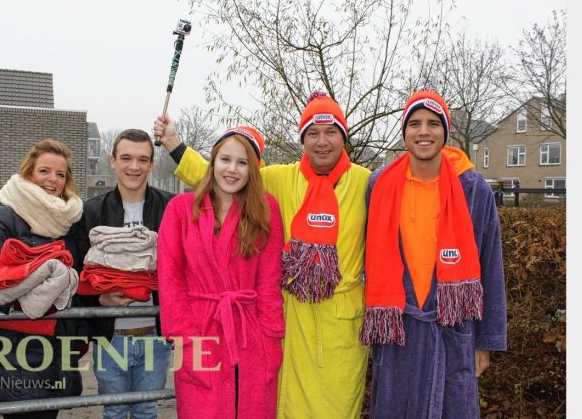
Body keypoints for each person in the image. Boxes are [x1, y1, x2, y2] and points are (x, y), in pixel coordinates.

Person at [154, 91, 371, 418]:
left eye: (331, 132)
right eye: (313, 133)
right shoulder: (279, 179)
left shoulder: (367, 183)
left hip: (340, 321)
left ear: (344, 136)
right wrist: (174, 145)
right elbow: (222, 175)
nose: (322, 141)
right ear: (303, 139)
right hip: (290, 316)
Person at [361, 88, 507, 418]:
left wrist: (486, 341)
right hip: (399, 330)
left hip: (453, 333)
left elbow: (491, 266)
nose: (423, 131)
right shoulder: (379, 184)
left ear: (445, 131)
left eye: (432, 123)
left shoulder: (474, 188)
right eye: (415, 124)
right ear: (404, 132)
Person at [157, 126, 285, 418]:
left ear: (253, 170)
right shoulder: (180, 209)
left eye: (242, 163)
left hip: (251, 333)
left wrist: (271, 339)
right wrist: (185, 341)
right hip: (199, 332)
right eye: (225, 159)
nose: (232, 169)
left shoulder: (266, 209)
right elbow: (170, 279)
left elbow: (269, 281)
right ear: (212, 161)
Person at [0, 139, 85, 419]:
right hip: (12, 348)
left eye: (60, 174)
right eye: (45, 171)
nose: (52, 179)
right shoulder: (4, 216)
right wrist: (16, 305)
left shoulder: (67, 223)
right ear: (29, 172)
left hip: (57, 347)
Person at [68, 129, 174, 419]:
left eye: (143, 159)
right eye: (126, 158)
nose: (134, 166)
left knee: (147, 410)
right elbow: (75, 274)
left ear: (152, 164)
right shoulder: (89, 212)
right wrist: (98, 301)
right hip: (110, 338)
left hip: (155, 335)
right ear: (112, 160)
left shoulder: (171, 208)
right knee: (113, 411)